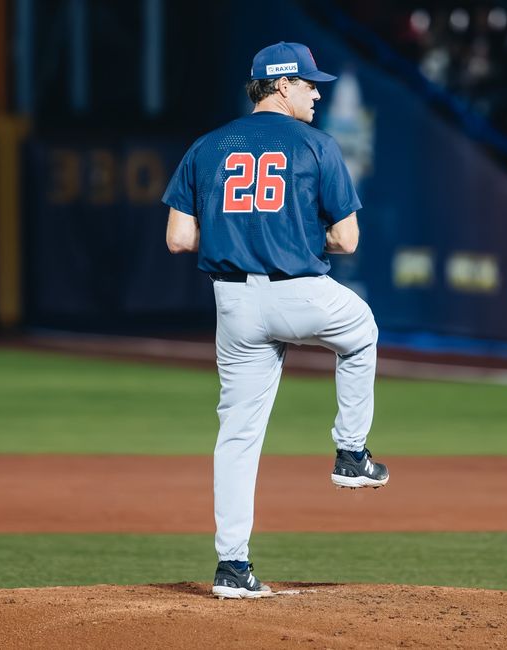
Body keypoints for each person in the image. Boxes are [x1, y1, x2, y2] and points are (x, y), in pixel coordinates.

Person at [162, 41, 388, 600]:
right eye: (310, 83)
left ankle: (231, 567)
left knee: (237, 436)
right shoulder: (317, 145)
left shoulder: (207, 146)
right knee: (360, 334)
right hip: (299, 292)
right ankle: (351, 453)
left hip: (232, 305)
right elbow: (348, 238)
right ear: (282, 86)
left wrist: (238, 238)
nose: (317, 92)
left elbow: (178, 238)